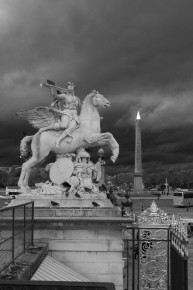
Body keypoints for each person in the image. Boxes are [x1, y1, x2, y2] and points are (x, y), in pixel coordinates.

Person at [39, 82, 81, 147]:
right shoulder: (64, 96)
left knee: (72, 127)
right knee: (64, 126)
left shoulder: (77, 98)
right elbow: (54, 96)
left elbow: (81, 107)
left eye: (70, 87)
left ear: (73, 89)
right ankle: (47, 128)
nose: (68, 88)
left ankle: (59, 140)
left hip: (75, 114)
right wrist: (51, 88)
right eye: (68, 87)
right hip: (67, 112)